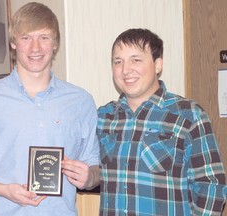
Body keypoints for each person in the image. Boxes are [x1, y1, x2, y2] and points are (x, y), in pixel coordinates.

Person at [0, 2, 99, 216]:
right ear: (14, 43)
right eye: (26, 38)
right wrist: (1, 189)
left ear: (55, 43)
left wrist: (89, 177)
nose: (35, 48)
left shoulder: (81, 101)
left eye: (44, 37)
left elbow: (94, 167)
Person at [97, 28, 226, 215]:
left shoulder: (188, 115)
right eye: (118, 62)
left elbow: (211, 186)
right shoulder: (104, 117)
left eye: (136, 60)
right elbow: (91, 171)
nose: (125, 70)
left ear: (158, 65)